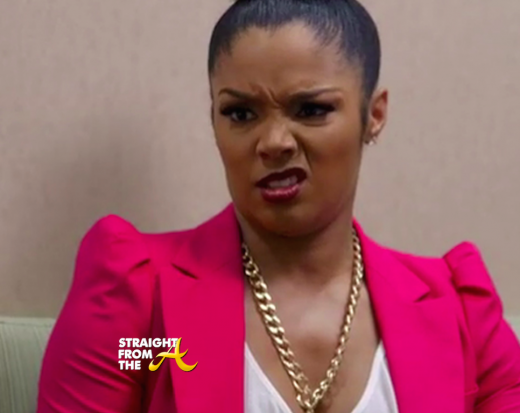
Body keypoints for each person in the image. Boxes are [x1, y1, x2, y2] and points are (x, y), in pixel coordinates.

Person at [37, 0, 520, 412]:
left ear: (373, 115)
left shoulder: (459, 309)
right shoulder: (140, 303)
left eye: (311, 109)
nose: (273, 142)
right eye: (240, 113)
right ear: (213, 120)